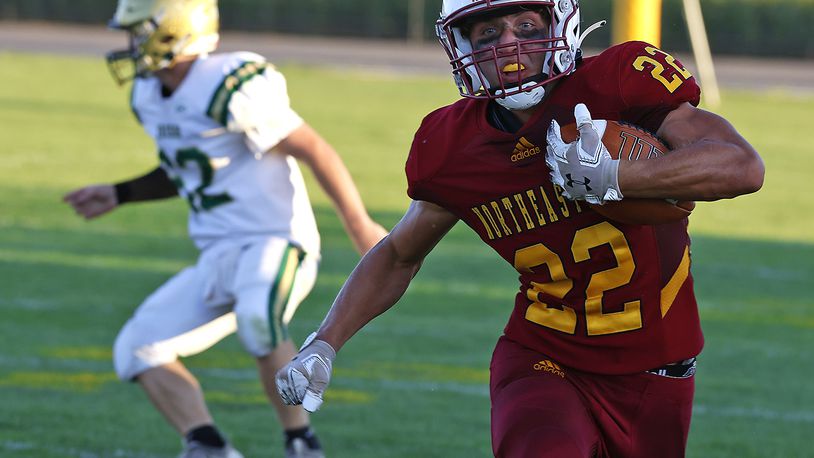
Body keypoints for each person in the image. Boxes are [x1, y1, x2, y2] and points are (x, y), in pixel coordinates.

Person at [275, 1, 765, 457]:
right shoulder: (453, 145)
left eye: (527, 27)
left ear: (561, 26)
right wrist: (326, 340)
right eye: (489, 32)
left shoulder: (618, 85)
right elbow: (400, 252)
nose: (509, 45)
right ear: (463, 47)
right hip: (544, 359)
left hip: (659, 373)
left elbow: (741, 167)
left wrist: (617, 177)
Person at [62, 1, 387, 457]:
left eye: (140, 33)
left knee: (258, 318)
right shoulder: (150, 95)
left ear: (174, 32)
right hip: (218, 252)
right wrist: (120, 193)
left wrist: (358, 224)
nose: (132, 46)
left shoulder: (228, 83)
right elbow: (190, 167)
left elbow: (313, 147)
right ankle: (208, 445)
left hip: (276, 241)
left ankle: (301, 441)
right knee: (136, 348)